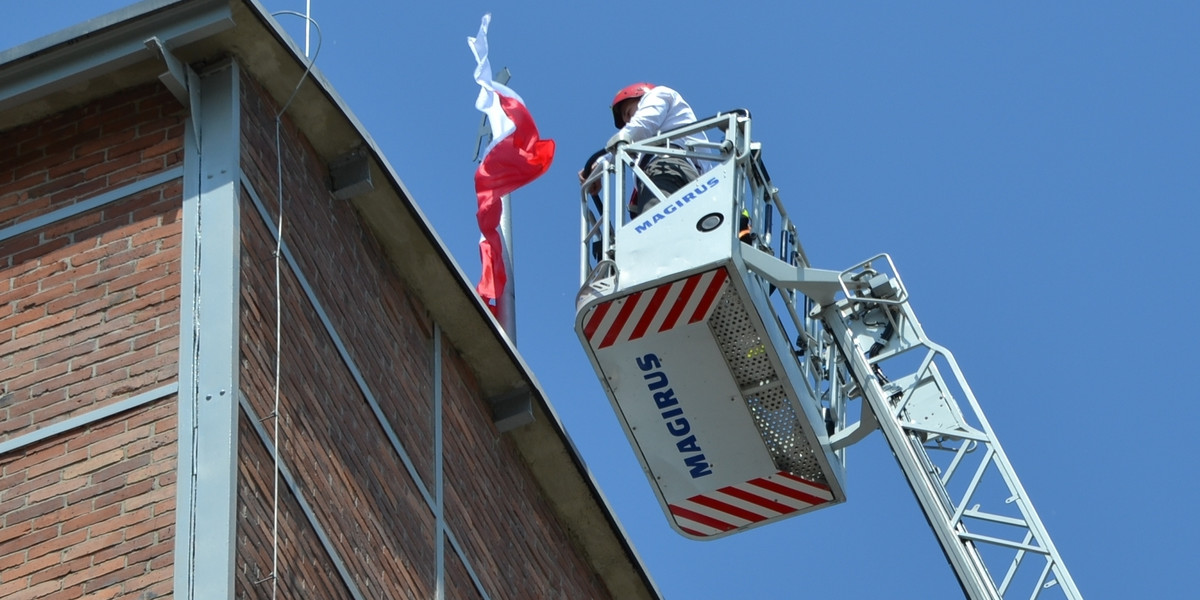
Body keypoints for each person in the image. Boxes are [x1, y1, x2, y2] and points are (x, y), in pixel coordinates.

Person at [579, 83, 706, 219]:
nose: (628, 121)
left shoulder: (659, 94)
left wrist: (598, 165)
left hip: (667, 167)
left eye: (627, 113)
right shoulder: (645, 145)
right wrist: (599, 171)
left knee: (659, 225)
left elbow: (640, 126)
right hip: (685, 179)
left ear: (641, 97)